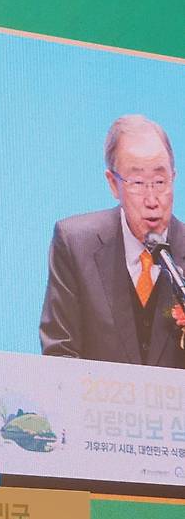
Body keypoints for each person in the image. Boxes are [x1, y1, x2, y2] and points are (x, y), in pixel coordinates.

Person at [40, 114, 185, 366]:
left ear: (174, 177)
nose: (152, 200)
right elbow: (60, 354)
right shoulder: (75, 245)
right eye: (138, 182)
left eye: (160, 182)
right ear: (113, 184)